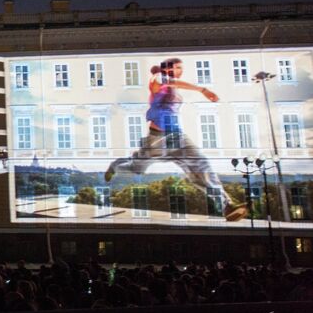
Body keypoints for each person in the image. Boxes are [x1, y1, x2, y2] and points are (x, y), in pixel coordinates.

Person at [104, 58, 247, 221]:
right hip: (158, 139)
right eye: (178, 68)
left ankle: (227, 206)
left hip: (177, 137)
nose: (181, 71)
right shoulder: (157, 80)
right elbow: (169, 81)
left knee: (201, 167)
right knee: (136, 168)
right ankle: (115, 166)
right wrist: (202, 89)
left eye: (181, 68)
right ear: (167, 69)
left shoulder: (173, 89)